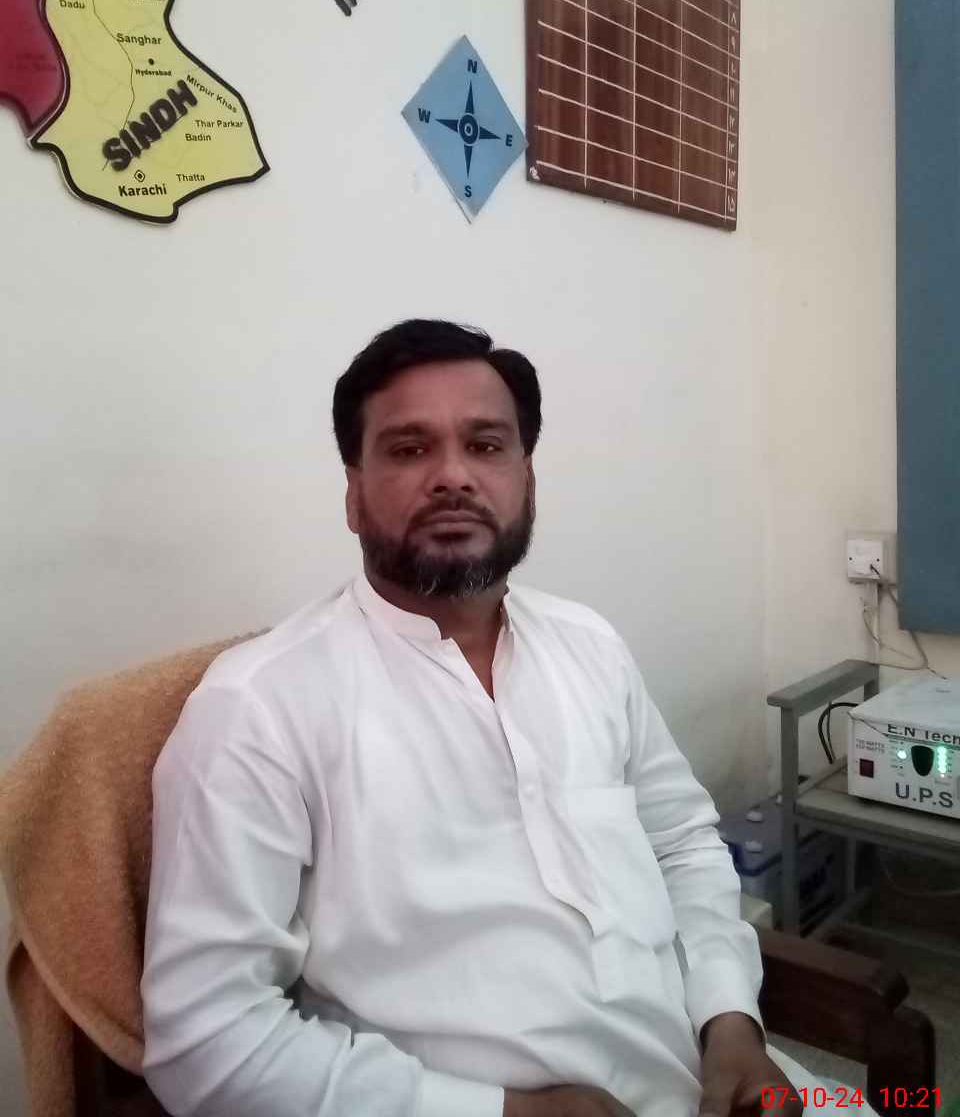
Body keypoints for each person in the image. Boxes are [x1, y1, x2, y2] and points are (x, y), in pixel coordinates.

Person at [141, 319, 856, 1116]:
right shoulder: (258, 708)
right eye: (409, 449)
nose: (453, 477)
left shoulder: (590, 645)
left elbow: (682, 845)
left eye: (485, 446)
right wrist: (508, 1113)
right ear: (352, 493)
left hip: (706, 1078)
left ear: (527, 480)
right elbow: (205, 1040)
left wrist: (731, 1024)